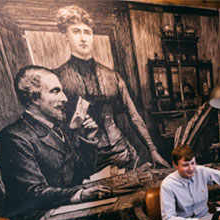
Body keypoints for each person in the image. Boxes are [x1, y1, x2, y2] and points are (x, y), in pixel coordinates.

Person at [54, 5, 169, 172]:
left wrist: (152, 150)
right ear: (65, 36)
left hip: (122, 153)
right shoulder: (58, 77)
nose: (83, 38)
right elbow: (56, 124)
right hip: (86, 157)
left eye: (87, 32)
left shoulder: (112, 76)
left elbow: (134, 115)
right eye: (76, 32)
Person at [0, 65, 110, 220]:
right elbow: (33, 193)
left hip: (64, 208)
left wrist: (88, 139)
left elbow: (82, 176)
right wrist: (79, 194)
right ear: (33, 98)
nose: (64, 98)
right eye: (55, 91)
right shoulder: (13, 138)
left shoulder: (58, 129)